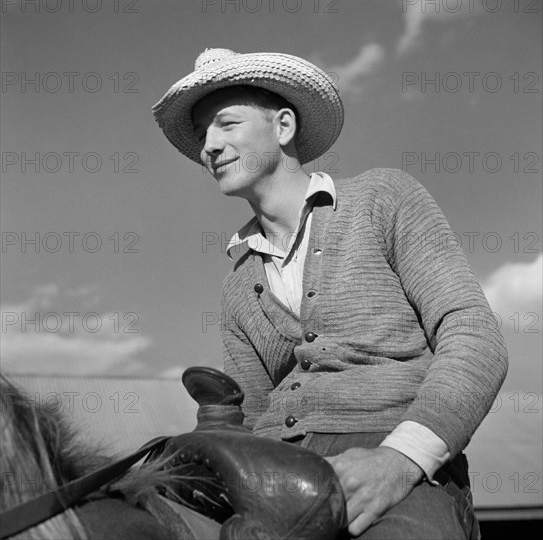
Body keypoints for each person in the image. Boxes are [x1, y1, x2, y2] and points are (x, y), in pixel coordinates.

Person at [153, 48, 508, 539]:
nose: (208, 147)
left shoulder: (384, 198)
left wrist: (399, 460)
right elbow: (253, 416)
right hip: (276, 470)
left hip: (396, 457)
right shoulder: (238, 283)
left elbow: (474, 337)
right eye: (200, 136)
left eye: (226, 124)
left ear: (282, 127)